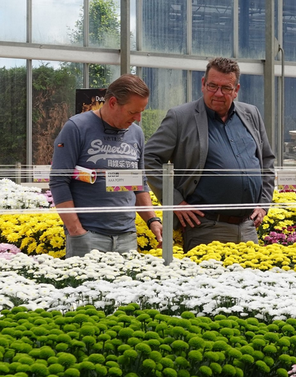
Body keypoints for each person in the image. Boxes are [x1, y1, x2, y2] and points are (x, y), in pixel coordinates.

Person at [144, 57, 276, 253]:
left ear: (236, 90)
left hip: (248, 226)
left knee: (250, 273)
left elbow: (266, 160)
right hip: (205, 227)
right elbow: (149, 158)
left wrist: (263, 204)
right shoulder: (181, 117)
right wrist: (175, 202)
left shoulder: (251, 114)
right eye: (213, 86)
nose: (218, 93)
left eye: (226, 88)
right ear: (203, 84)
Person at [50, 74, 163, 258]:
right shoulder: (77, 128)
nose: (138, 118)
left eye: (141, 111)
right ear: (112, 103)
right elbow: (59, 181)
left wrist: (152, 220)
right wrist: (76, 231)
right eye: (133, 112)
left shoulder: (136, 134)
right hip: (88, 236)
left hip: (127, 237)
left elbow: (139, 184)